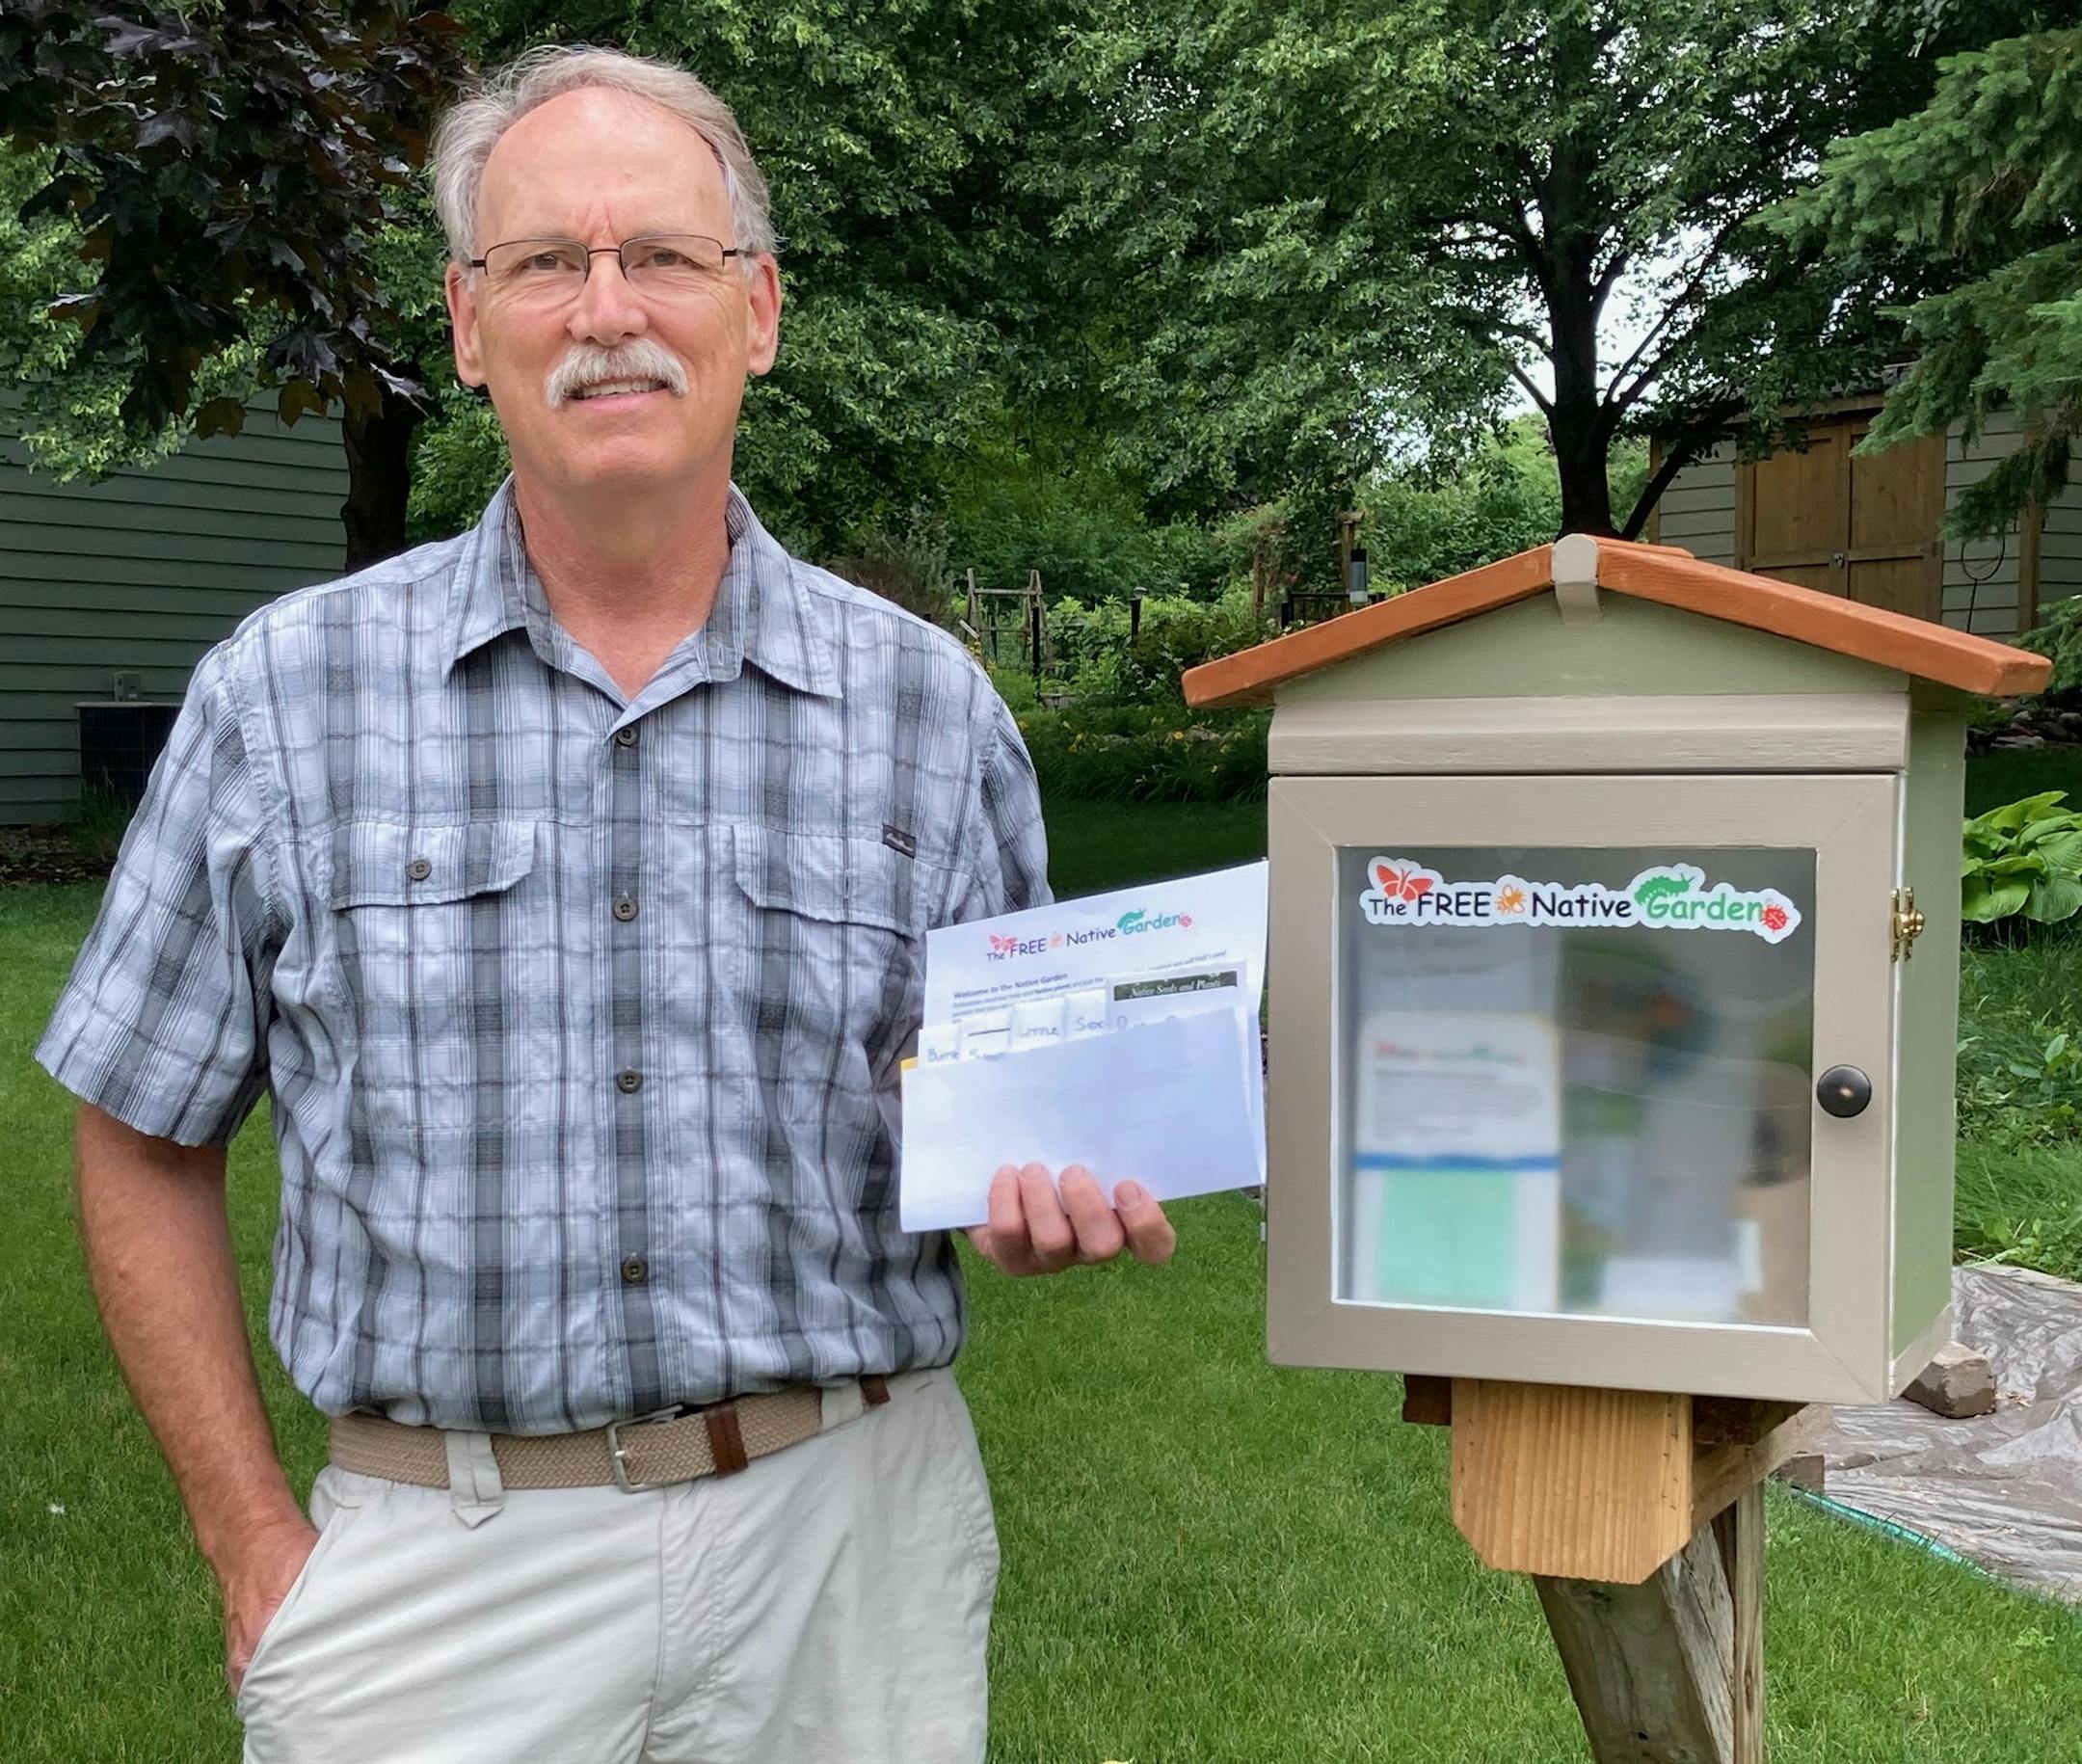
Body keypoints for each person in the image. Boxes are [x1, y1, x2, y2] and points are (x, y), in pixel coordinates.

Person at [36, 44, 1176, 1764]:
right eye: (544, 263)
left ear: (761, 311)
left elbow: (991, 1101)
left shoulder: (935, 713)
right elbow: (136, 1130)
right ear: (467, 321)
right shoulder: (287, 696)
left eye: (660, 254)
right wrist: (250, 1540)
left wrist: (1043, 1178)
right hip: (438, 1570)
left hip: (844, 1542)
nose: (605, 307)